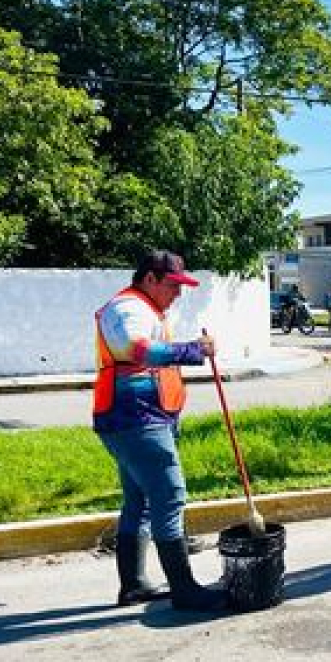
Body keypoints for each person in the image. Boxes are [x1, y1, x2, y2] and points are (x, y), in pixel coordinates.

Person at [93, 250, 227, 611]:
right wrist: (192, 350)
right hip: (137, 418)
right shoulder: (127, 308)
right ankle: (184, 589)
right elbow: (136, 350)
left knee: (139, 501)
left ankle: (134, 585)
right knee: (169, 495)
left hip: (135, 416)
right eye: (173, 285)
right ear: (150, 279)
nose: (178, 294)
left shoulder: (143, 308)